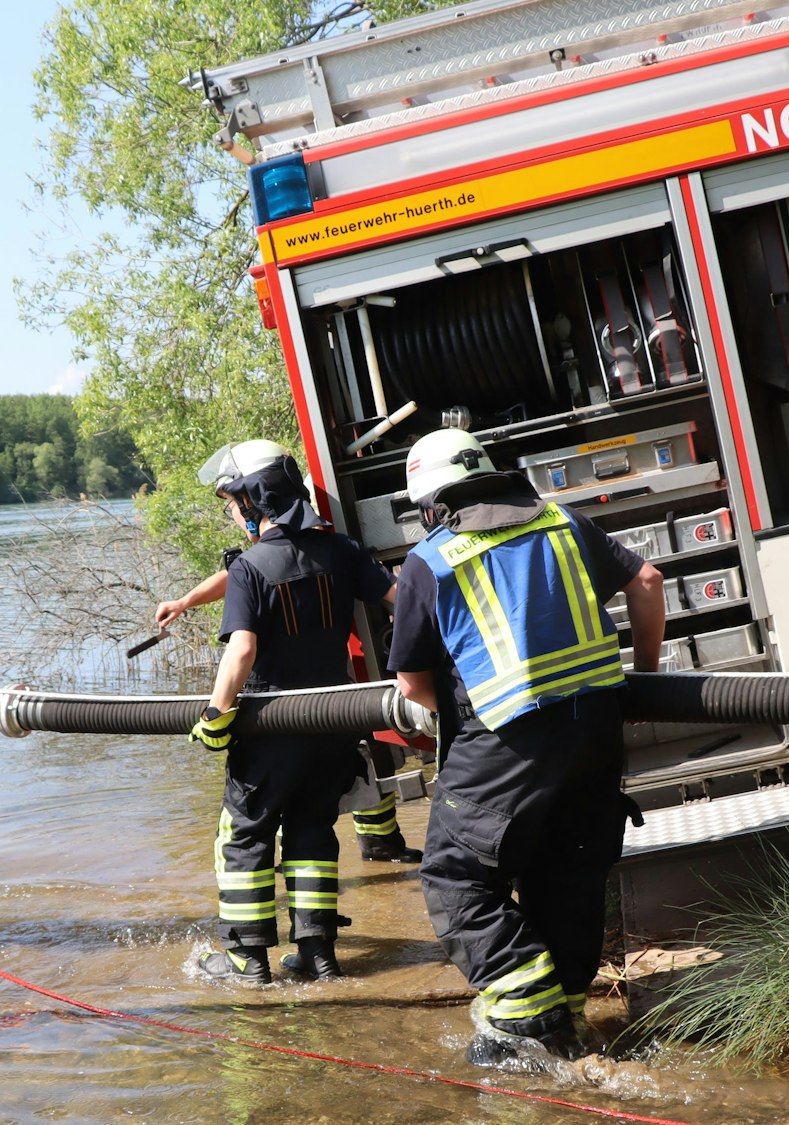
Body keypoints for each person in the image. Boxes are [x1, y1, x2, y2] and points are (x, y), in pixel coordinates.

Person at [386, 428, 668, 1067]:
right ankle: (568, 1025)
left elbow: (413, 685)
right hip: (598, 734)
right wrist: (643, 679)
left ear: (431, 503)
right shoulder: (564, 522)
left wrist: (468, 715)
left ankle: (528, 1019)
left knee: (454, 877)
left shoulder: (431, 559)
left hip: (505, 744)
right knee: (565, 875)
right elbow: (647, 581)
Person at [187, 440, 396, 983]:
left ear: (255, 503)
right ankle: (318, 954)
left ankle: (246, 963)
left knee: (245, 836)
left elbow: (243, 650)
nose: (232, 513)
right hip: (332, 725)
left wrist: (215, 717)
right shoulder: (343, 551)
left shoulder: (251, 568)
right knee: (311, 831)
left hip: (271, 729)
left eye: (233, 503)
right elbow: (402, 599)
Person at [157, 559, 422, 866]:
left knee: (369, 758)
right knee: (299, 778)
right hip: (301, 692)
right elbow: (238, 574)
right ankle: (296, 860)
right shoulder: (289, 552)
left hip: (349, 680)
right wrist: (184, 602)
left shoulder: (334, 549)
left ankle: (380, 845)